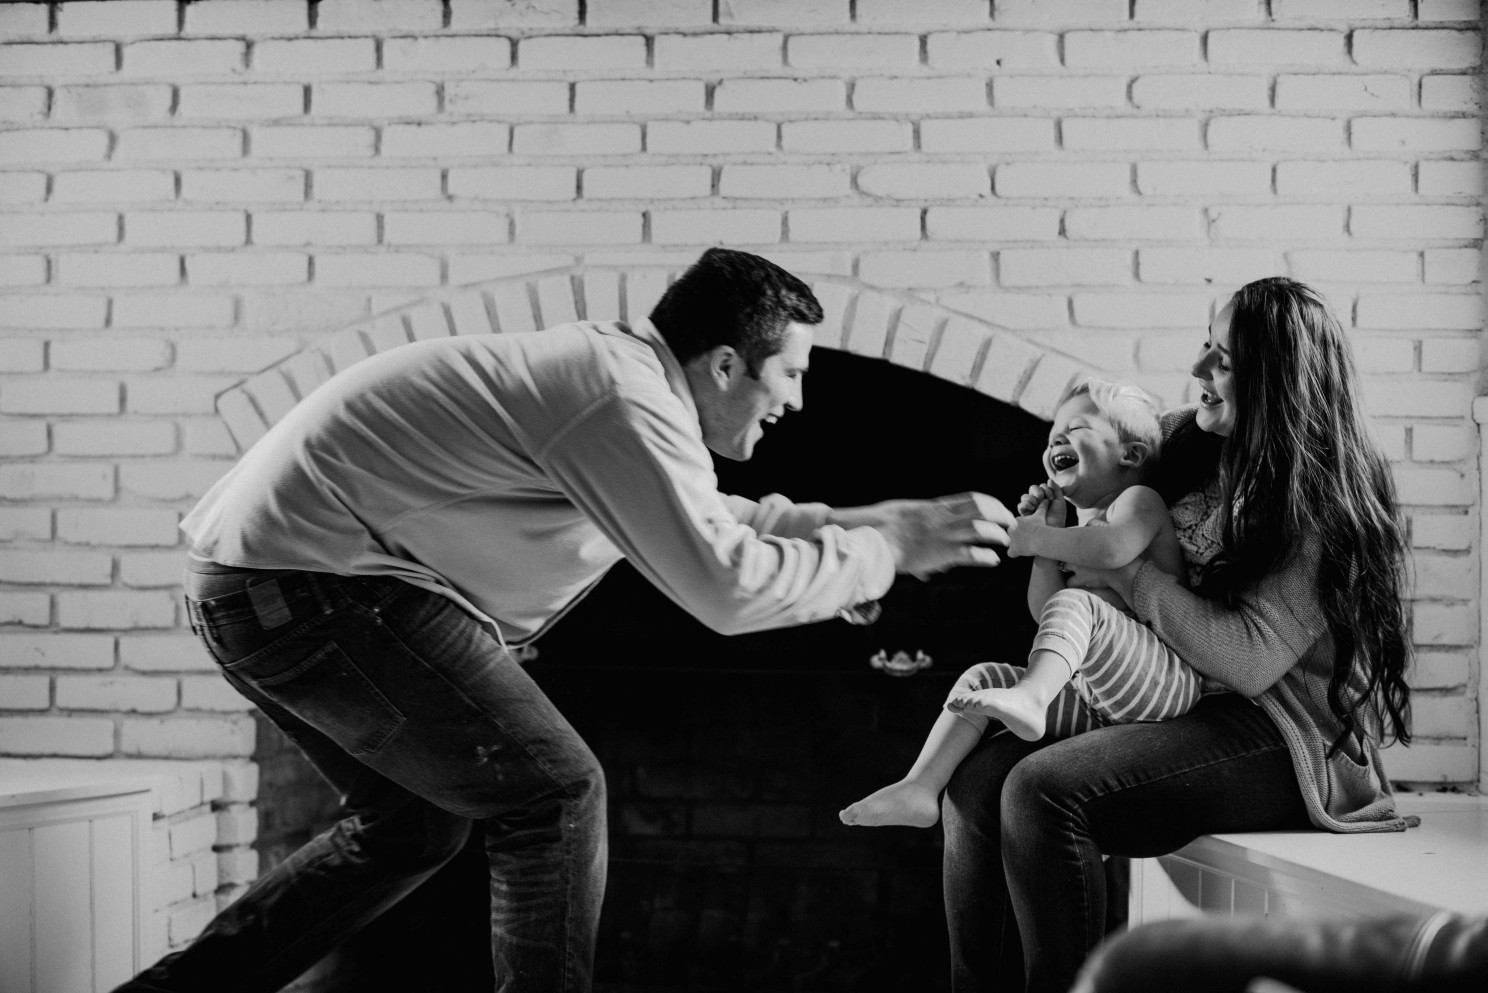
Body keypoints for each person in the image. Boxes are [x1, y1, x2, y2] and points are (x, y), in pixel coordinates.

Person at [115, 248, 1015, 993]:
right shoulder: (618, 399)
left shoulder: (626, 390)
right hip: (310, 587)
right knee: (555, 792)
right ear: (726, 363)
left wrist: (867, 528)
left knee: (414, 826)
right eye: (790, 372)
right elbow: (728, 591)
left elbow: (721, 524)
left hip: (281, 586)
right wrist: (890, 549)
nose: (797, 401)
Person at [937, 276, 1415, 993]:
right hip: (1188, 691)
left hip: (1281, 733)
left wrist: (1125, 574)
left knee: (1042, 789)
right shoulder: (1192, 442)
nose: (1198, 373)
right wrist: (1058, 513)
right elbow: (1111, 473)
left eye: (1223, 360)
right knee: (974, 782)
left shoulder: (1322, 498)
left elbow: (1248, 660)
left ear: (1279, 381)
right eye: (1206, 348)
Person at [839, 377, 1201, 828]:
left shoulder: (1138, 502)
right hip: (1096, 700)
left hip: (1162, 683)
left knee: (1078, 605)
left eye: (1078, 427)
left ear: (1129, 454)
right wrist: (1044, 550)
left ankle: (1031, 697)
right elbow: (1045, 610)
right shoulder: (1076, 526)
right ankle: (920, 786)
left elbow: (1112, 551)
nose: (1058, 438)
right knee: (980, 678)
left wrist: (1040, 537)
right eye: (1053, 435)